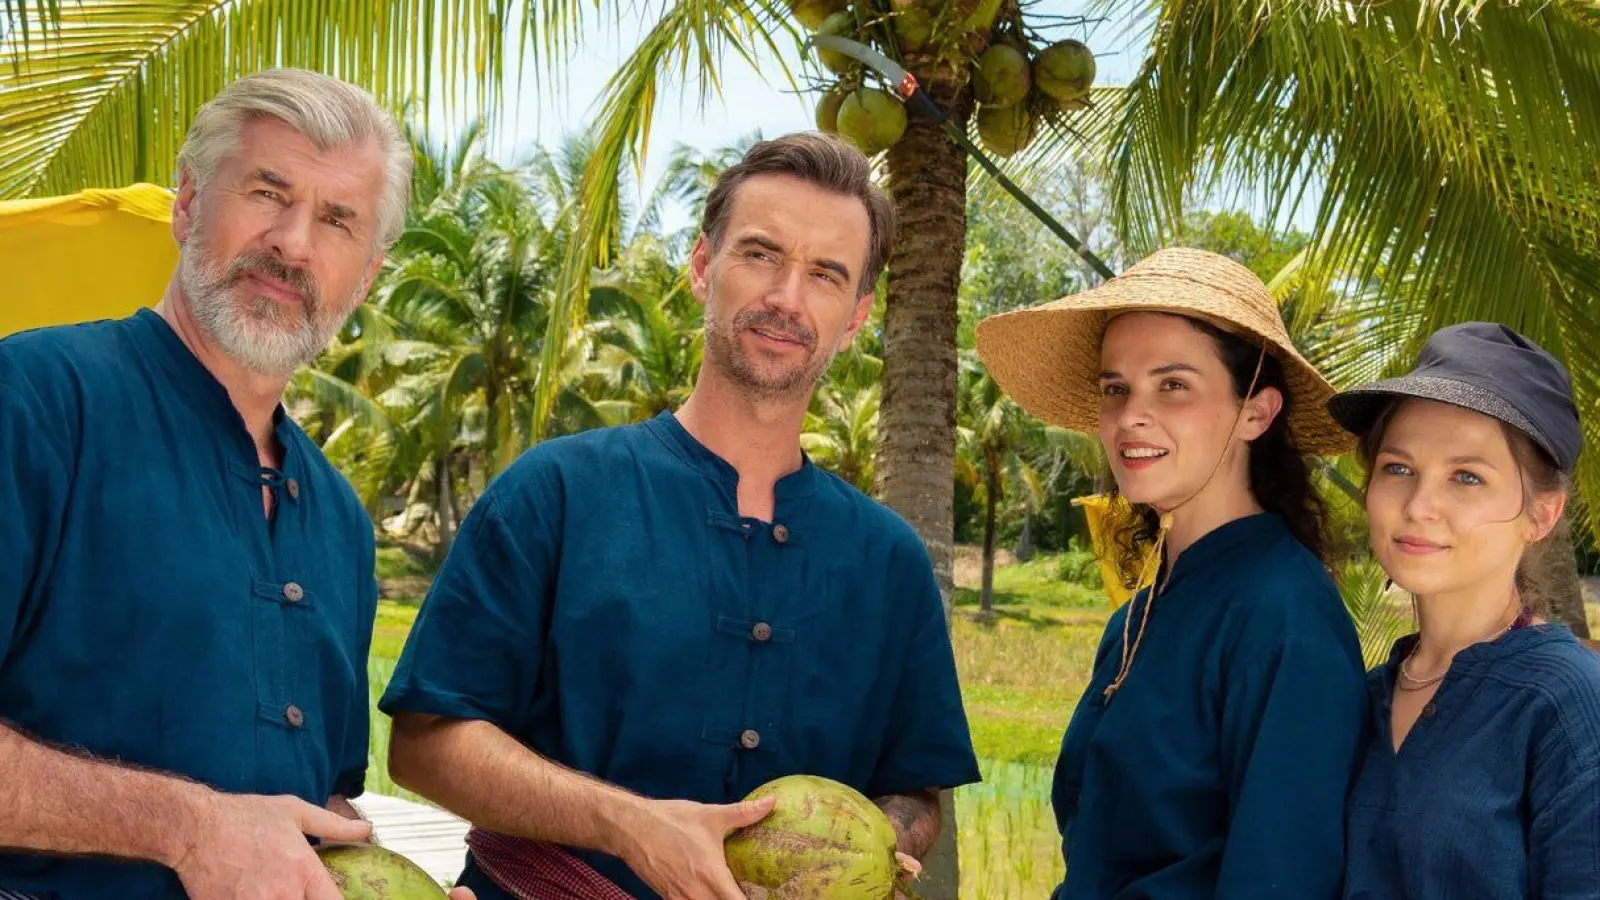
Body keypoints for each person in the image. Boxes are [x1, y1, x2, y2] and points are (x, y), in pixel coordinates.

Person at [377, 131, 981, 900]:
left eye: (825, 275)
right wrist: (627, 824)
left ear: (857, 315)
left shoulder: (888, 559)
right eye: (761, 254)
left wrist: (870, 848)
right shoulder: (555, 492)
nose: (787, 299)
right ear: (703, 266)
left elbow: (915, 788)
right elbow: (426, 743)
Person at [0, 69, 472, 900]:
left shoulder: (338, 520)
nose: (294, 244)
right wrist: (188, 828)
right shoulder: (34, 400)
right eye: (268, 192)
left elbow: (312, 806)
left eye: (336, 220)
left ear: (365, 276)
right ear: (187, 204)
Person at [974, 247, 1368, 899]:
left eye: (1173, 385)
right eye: (1115, 388)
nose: (1131, 415)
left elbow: (1282, 878)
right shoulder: (1138, 617)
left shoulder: (1286, 615)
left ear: (1256, 412)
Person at [1329, 322, 1600, 899]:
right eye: (1398, 468)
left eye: (1467, 477)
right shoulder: (1361, 698)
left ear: (1541, 515)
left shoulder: (1568, 702)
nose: (1420, 506)